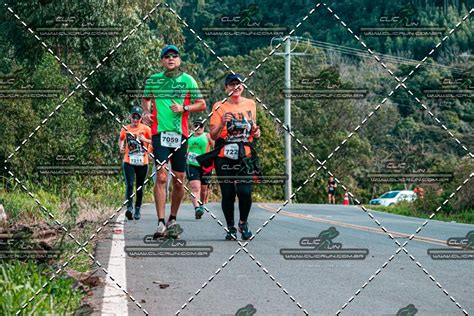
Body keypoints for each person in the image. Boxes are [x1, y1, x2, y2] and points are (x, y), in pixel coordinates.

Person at [142, 44, 206, 238]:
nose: (171, 58)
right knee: (161, 176)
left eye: (174, 56)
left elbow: (202, 104)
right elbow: (146, 99)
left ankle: (173, 218)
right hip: (160, 134)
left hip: (181, 136)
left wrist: (184, 109)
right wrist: (146, 112)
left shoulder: (188, 80)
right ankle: (160, 222)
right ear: (162, 60)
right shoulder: (153, 80)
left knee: (179, 181)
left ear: (179, 60)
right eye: (167, 56)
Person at [205, 73, 261, 240]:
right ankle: (230, 227)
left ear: (243, 86)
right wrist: (222, 122)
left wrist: (257, 132)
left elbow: (254, 130)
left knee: (245, 191)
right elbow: (213, 136)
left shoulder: (251, 104)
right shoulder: (219, 106)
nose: (235, 87)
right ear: (226, 88)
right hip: (225, 155)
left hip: (245, 154)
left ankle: (243, 223)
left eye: (238, 84)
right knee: (228, 193)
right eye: (231, 85)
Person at [119, 106, 152, 220]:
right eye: (133, 117)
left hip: (142, 162)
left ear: (140, 118)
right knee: (129, 185)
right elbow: (122, 138)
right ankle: (129, 208)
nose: (135, 120)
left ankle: (137, 208)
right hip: (129, 161)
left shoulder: (146, 129)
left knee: (139, 187)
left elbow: (153, 141)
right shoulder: (126, 128)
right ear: (130, 117)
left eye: (137, 117)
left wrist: (144, 140)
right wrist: (121, 147)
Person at [186, 117, 215, 219]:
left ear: (203, 127)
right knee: (195, 188)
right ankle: (197, 208)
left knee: (203, 190)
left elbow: (215, 147)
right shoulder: (189, 137)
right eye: (196, 125)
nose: (198, 128)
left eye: (200, 125)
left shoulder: (207, 135)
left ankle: (201, 205)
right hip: (192, 165)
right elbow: (184, 149)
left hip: (205, 166)